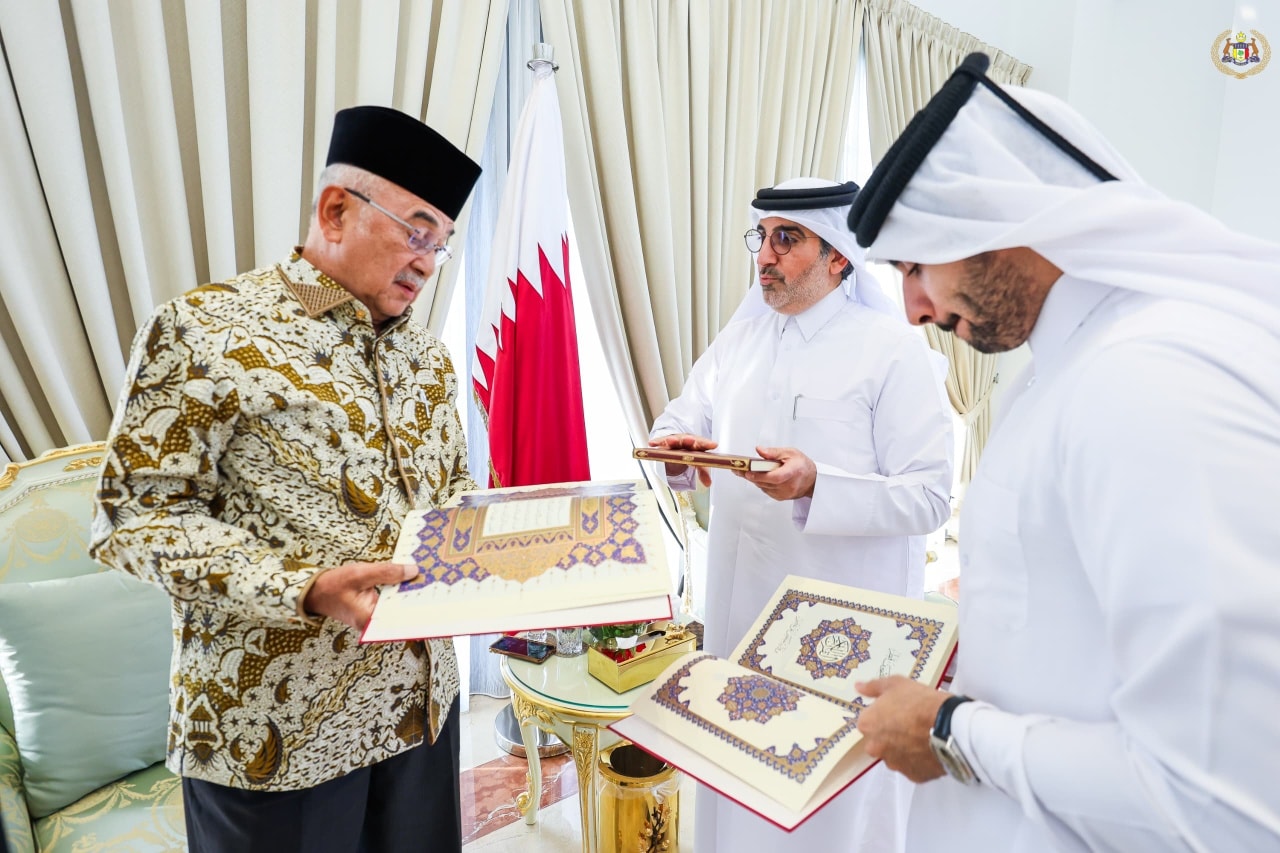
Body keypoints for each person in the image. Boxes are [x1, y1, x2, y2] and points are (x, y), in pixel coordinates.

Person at [850, 53, 1280, 852]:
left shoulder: (1148, 381)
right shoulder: (1070, 366)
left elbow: (1225, 800)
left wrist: (950, 729)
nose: (912, 309)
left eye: (915, 265)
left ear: (1000, 225)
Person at [89, 106, 482, 853]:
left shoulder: (427, 361)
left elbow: (447, 508)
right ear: (337, 210)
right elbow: (132, 519)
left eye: (443, 244)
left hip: (420, 714)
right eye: (418, 231)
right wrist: (303, 588)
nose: (429, 262)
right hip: (273, 732)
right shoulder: (206, 330)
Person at [648, 177, 954, 852]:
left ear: (838, 256)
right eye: (763, 237)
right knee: (736, 796)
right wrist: (675, 453)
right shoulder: (741, 341)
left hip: (840, 639)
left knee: (828, 812)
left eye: (789, 239)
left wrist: (820, 484)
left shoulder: (892, 348)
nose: (766, 255)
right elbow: (678, 422)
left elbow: (930, 495)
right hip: (739, 622)